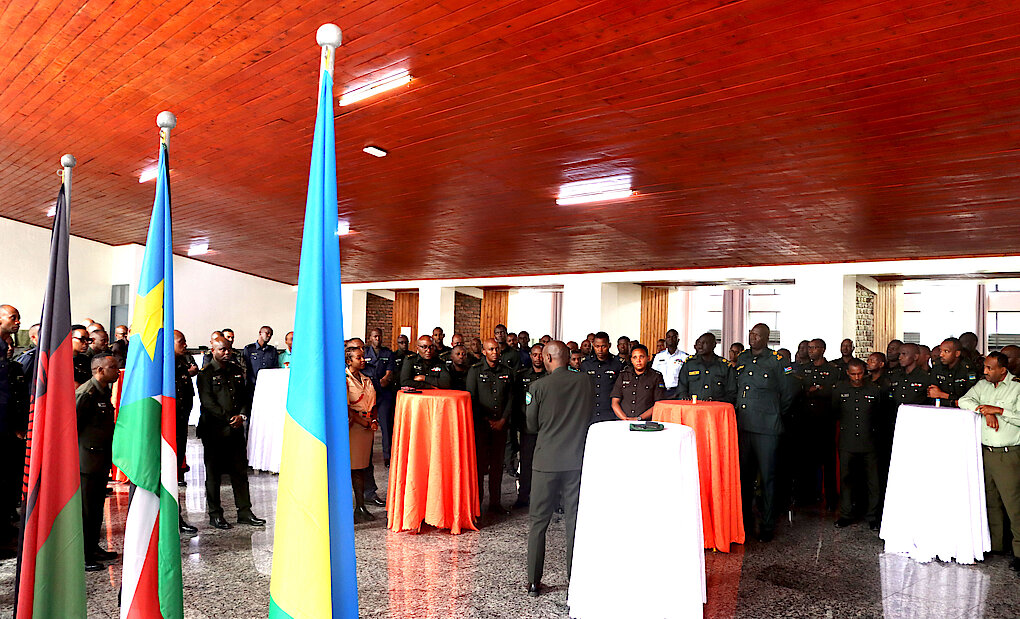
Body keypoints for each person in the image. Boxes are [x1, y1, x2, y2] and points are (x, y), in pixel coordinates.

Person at [525, 341, 593, 597]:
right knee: (574, 522)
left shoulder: (538, 387)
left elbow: (531, 425)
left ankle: (534, 582)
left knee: (538, 523)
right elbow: (589, 414)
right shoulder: (585, 382)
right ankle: (574, 581)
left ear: (549, 358)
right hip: (575, 460)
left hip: (546, 462)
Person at [958, 352, 1020, 572]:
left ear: (1003, 370)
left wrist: (999, 411)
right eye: (984, 367)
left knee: (1014, 505)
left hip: (1008, 454)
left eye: (989, 368)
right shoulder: (983, 385)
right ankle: (996, 545)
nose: (985, 372)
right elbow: (964, 400)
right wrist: (984, 411)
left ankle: (1019, 552)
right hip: (985, 452)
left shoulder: (1016, 387)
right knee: (990, 501)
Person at [735, 323, 795, 542]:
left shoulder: (777, 361)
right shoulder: (743, 358)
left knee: (768, 478)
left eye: (757, 335)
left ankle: (768, 525)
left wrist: (773, 413)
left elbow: (788, 394)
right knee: (744, 477)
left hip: (767, 428)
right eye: (751, 334)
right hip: (744, 426)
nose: (753, 337)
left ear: (766, 338)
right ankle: (744, 523)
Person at [197, 337, 265, 530]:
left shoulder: (235, 370)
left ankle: (244, 511)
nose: (226, 353)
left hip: (235, 430)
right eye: (222, 350)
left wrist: (241, 416)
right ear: (213, 350)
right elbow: (208, 403)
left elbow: (244, 396)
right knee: (214, 475)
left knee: (240, 472)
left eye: (228, 349)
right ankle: (215, 514)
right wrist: (229, 418)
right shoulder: (206, 373)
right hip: (214, 431)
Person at [76, 354, 120, 570]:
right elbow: (72, 427)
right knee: (85, 511)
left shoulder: (103, 390)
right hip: (86, 462)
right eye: (112, 367)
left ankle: (93, 547)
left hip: (100, 460)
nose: (117, 370)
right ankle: (82, 556)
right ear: (99, 370)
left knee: (95, 509)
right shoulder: (86, 393)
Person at [832, 359, 882, 530]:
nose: (857, 377)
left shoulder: (874, 389)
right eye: (853, 374)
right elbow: (835, 411)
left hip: (869, 441)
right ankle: (846, 514)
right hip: (847, 441)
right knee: (846, 479)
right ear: (847, 373)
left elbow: (879, 414)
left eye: (860, 373)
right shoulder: (840, 389)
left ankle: (873, 517)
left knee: (873, 481)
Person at [467, 339, 514, 514]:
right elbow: (471, 398)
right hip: (481, 427)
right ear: (484, 351)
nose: (495, 352)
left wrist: (502, 420)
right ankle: (477, 504)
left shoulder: (507, 371)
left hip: (500, 426)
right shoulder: (475, 370)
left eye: (496, 349)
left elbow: (511, 398)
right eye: (491, 349)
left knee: (497, 466)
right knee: (479, 467)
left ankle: (495, 503)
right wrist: (486, 420)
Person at [797, 338, 841, 509]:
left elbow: (832, 392)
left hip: (825, 421)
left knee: (828, 461)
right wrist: (815, 390)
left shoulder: (833, 370)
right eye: (809, 347)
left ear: (823, 349)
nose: (811, 350)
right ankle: (807, 497)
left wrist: (816, 391)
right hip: (806, 420)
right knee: (806, 460)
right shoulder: (803, 369)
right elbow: (800, 391)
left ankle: (831, 500)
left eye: (814, 348)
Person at [346, 346, 379, 523]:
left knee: (363, 467)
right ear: (349, 361)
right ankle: (357, 507)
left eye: (363, 357)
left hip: (367, 426)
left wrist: (373, 420)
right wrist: (363, 421)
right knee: (355, 468)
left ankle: (361, 506)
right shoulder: (345, 379)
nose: (363, 360)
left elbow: (373, 402)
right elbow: (346, 408)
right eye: (358, 358)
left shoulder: (366, 379)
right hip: (355, 427)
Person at [513, 344, 546, 508]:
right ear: (530, 356)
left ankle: (547, 499)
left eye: (540, 355)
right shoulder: (522, 375)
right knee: (526, 463)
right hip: (528, 427)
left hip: (547, 427)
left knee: (547, 464)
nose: (537, 358)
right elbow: (518, 401)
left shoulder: (550, 375)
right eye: (534, 355)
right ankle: (523, 497)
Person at [173, 331, 199, 533]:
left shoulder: (181, 363)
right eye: (181, 341)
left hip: (180, 425)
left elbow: (187, 394)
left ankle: (176, 517)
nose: (185, 344)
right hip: (167, 428)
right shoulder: (163, 366)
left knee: (174, 474)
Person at [365, 327, 397, 470]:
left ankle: (387, 457)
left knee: (386, 426)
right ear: (370, 338)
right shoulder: (365, 353)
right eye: (375, 336)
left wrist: (382, 381)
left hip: (384, 394)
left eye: (379, 336)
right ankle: (367, 456)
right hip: (368, 394)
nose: (377, 339)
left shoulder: (388, 353)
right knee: (367, 425)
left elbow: (388, 374)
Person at [610, 344, 666, 420]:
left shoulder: (656, 376)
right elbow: (615, 402)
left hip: (646, 422)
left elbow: (658, 404)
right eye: (635, 357)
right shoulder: (623, 375)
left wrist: (639, 418)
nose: (638, 360)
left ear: (648, 358)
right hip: (623, 421)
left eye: (641, 357)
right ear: (631, 360)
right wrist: (625, 418)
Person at [676, 332, 735, 403]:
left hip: (716, 408)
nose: (700, 346)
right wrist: (685, 399)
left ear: (713, 345)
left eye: (704, 343)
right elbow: (682, 389)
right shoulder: (689, 364)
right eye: (699, 343)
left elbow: (731, 393)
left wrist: (716, 400)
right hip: (693, 407)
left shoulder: (724, 366)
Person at [580, 331, 624, 424]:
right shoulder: (585, 364)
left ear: (609, 345)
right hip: (590, 412)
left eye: (603, 346)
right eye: (597, 346)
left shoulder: (618, 364)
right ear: (593, 345)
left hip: (610, 412)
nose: (600, 349)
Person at [929, 337, 979, 407]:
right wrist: (953, 400)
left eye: (946, 351)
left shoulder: (968, 369)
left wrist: (943, 395)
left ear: (957, 353)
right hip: (941, 408)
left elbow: (970, 399)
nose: (941, 355)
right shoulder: (937, 367)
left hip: (964, 410)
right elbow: (932, 395)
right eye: (940, 351)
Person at [890, 343, 931, 408]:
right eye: (899, 354)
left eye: (904, 354)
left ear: (915, 357)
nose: (900, 357)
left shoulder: (925, 377)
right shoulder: (895, 375)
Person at [241, 326, 279, 395]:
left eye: (271, 334)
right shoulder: (249, 349)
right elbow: (246, 368)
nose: (269, 336)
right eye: (267, 333)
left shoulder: (272, 350)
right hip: (252, 386)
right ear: (260, 333)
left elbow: (275, 368)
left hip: (268, 386)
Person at [652, 329, 688, 398]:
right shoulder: (659, 356)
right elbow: (653, 374)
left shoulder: (684, 357)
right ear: (665, 340)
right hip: (660, 390)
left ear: (678, 340)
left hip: (677, 391)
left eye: (674, 337)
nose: (671, 339)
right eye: (668, 337)